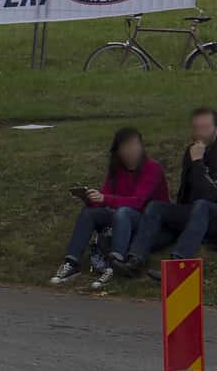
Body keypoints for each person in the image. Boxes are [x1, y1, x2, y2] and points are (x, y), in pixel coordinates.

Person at [50, 126, 167, 289]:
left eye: (135, 145)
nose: (132, 150)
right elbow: (106, 197)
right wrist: (91, 199)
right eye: (126, 146)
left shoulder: (152, 168)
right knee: (89, 213)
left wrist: (105, 198)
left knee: (123, 212)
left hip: (149, 224)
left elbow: (138, 202)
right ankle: (71, 263)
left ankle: (114, 265)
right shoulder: (116, 169)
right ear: (118, 151)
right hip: (122, 220)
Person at [125, 106, 217, 279]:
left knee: (202, 205)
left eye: (205, 128)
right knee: (156, 207)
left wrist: (198, 162)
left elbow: (211, 195)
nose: (199, 133)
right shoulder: (191, 151)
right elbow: (186, 189)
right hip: (195, 213)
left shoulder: (197, 154)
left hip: (212, 214)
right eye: (196, 128)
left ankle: (178, 265)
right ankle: (135, 259)